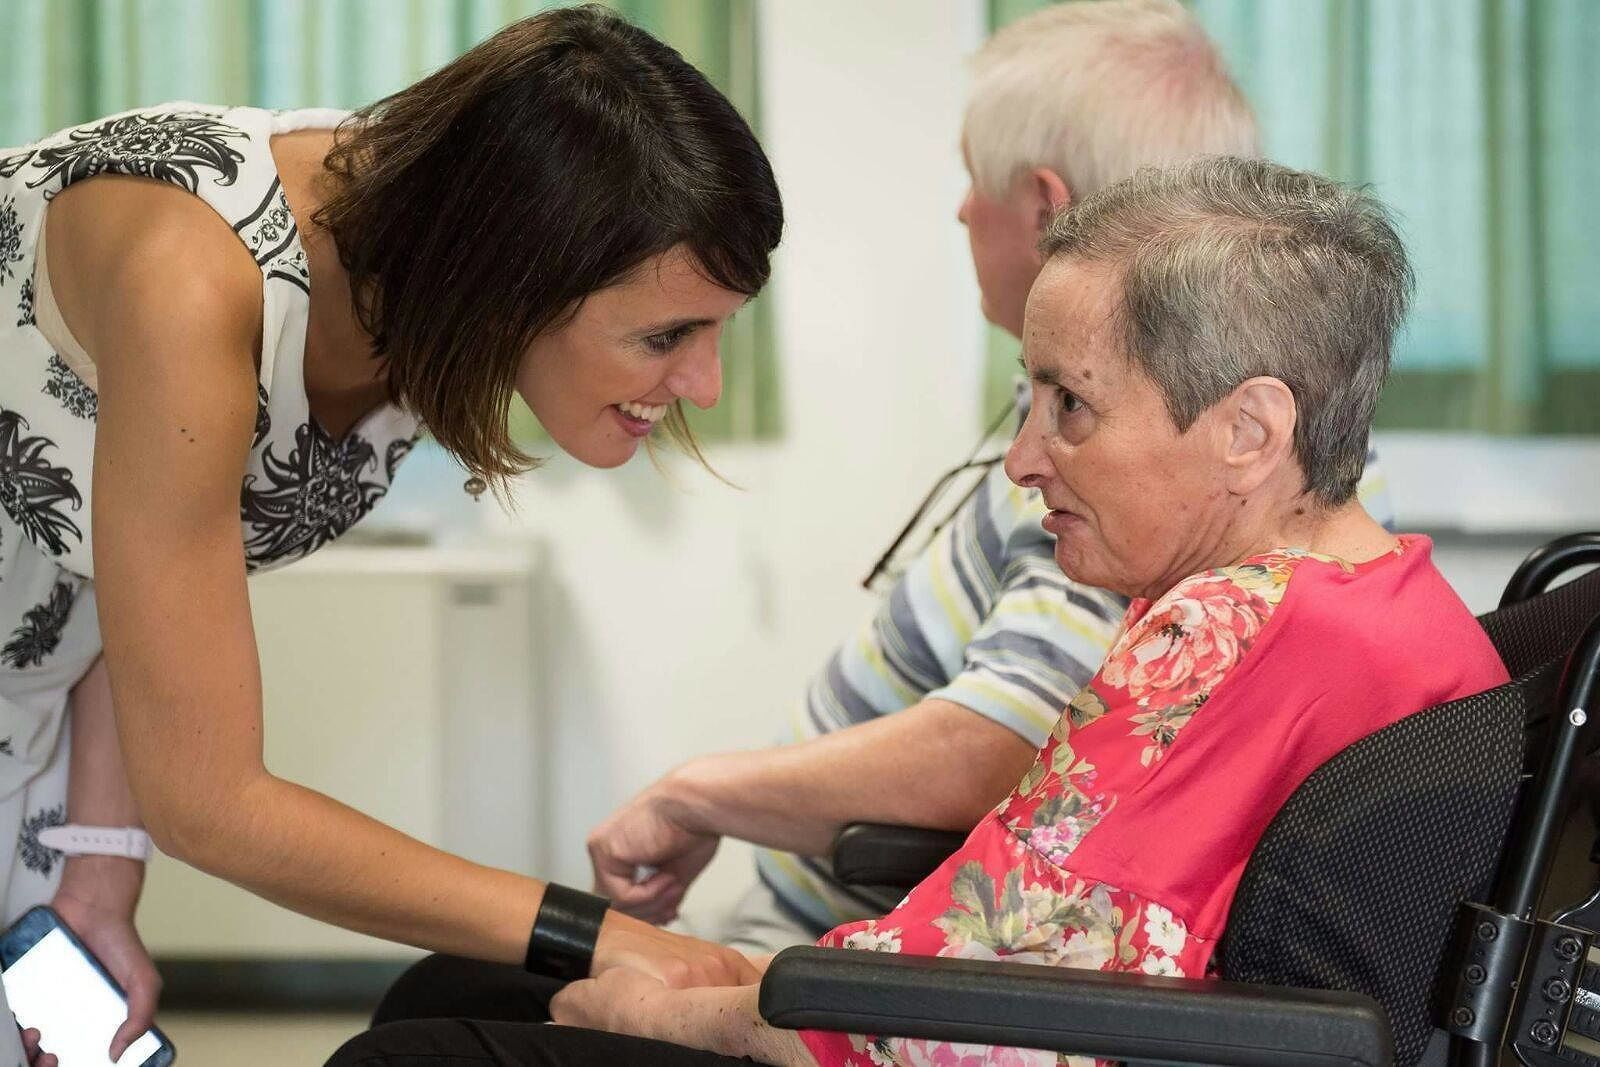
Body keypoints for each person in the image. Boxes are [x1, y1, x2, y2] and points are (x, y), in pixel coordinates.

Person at [328, 155, 1508, 1066]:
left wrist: (683, 1011)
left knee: (421, 1042)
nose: (1025, 460)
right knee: (465, 990)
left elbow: (982, 1017)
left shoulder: (1226, 635)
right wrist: (736, 983)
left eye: (1070, 404)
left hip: (918, 1028)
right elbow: (1027, 942)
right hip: (927, 1001)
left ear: (1250, 430)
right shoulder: (1391, 608)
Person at [0, 5, 781, 1062]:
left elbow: (118, 556)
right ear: (517, 280)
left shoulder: (423, 254)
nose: (703, 382)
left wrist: (97, 861)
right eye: (666, 334)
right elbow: (212, 803)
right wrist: (597, 938)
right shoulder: (196, 282)